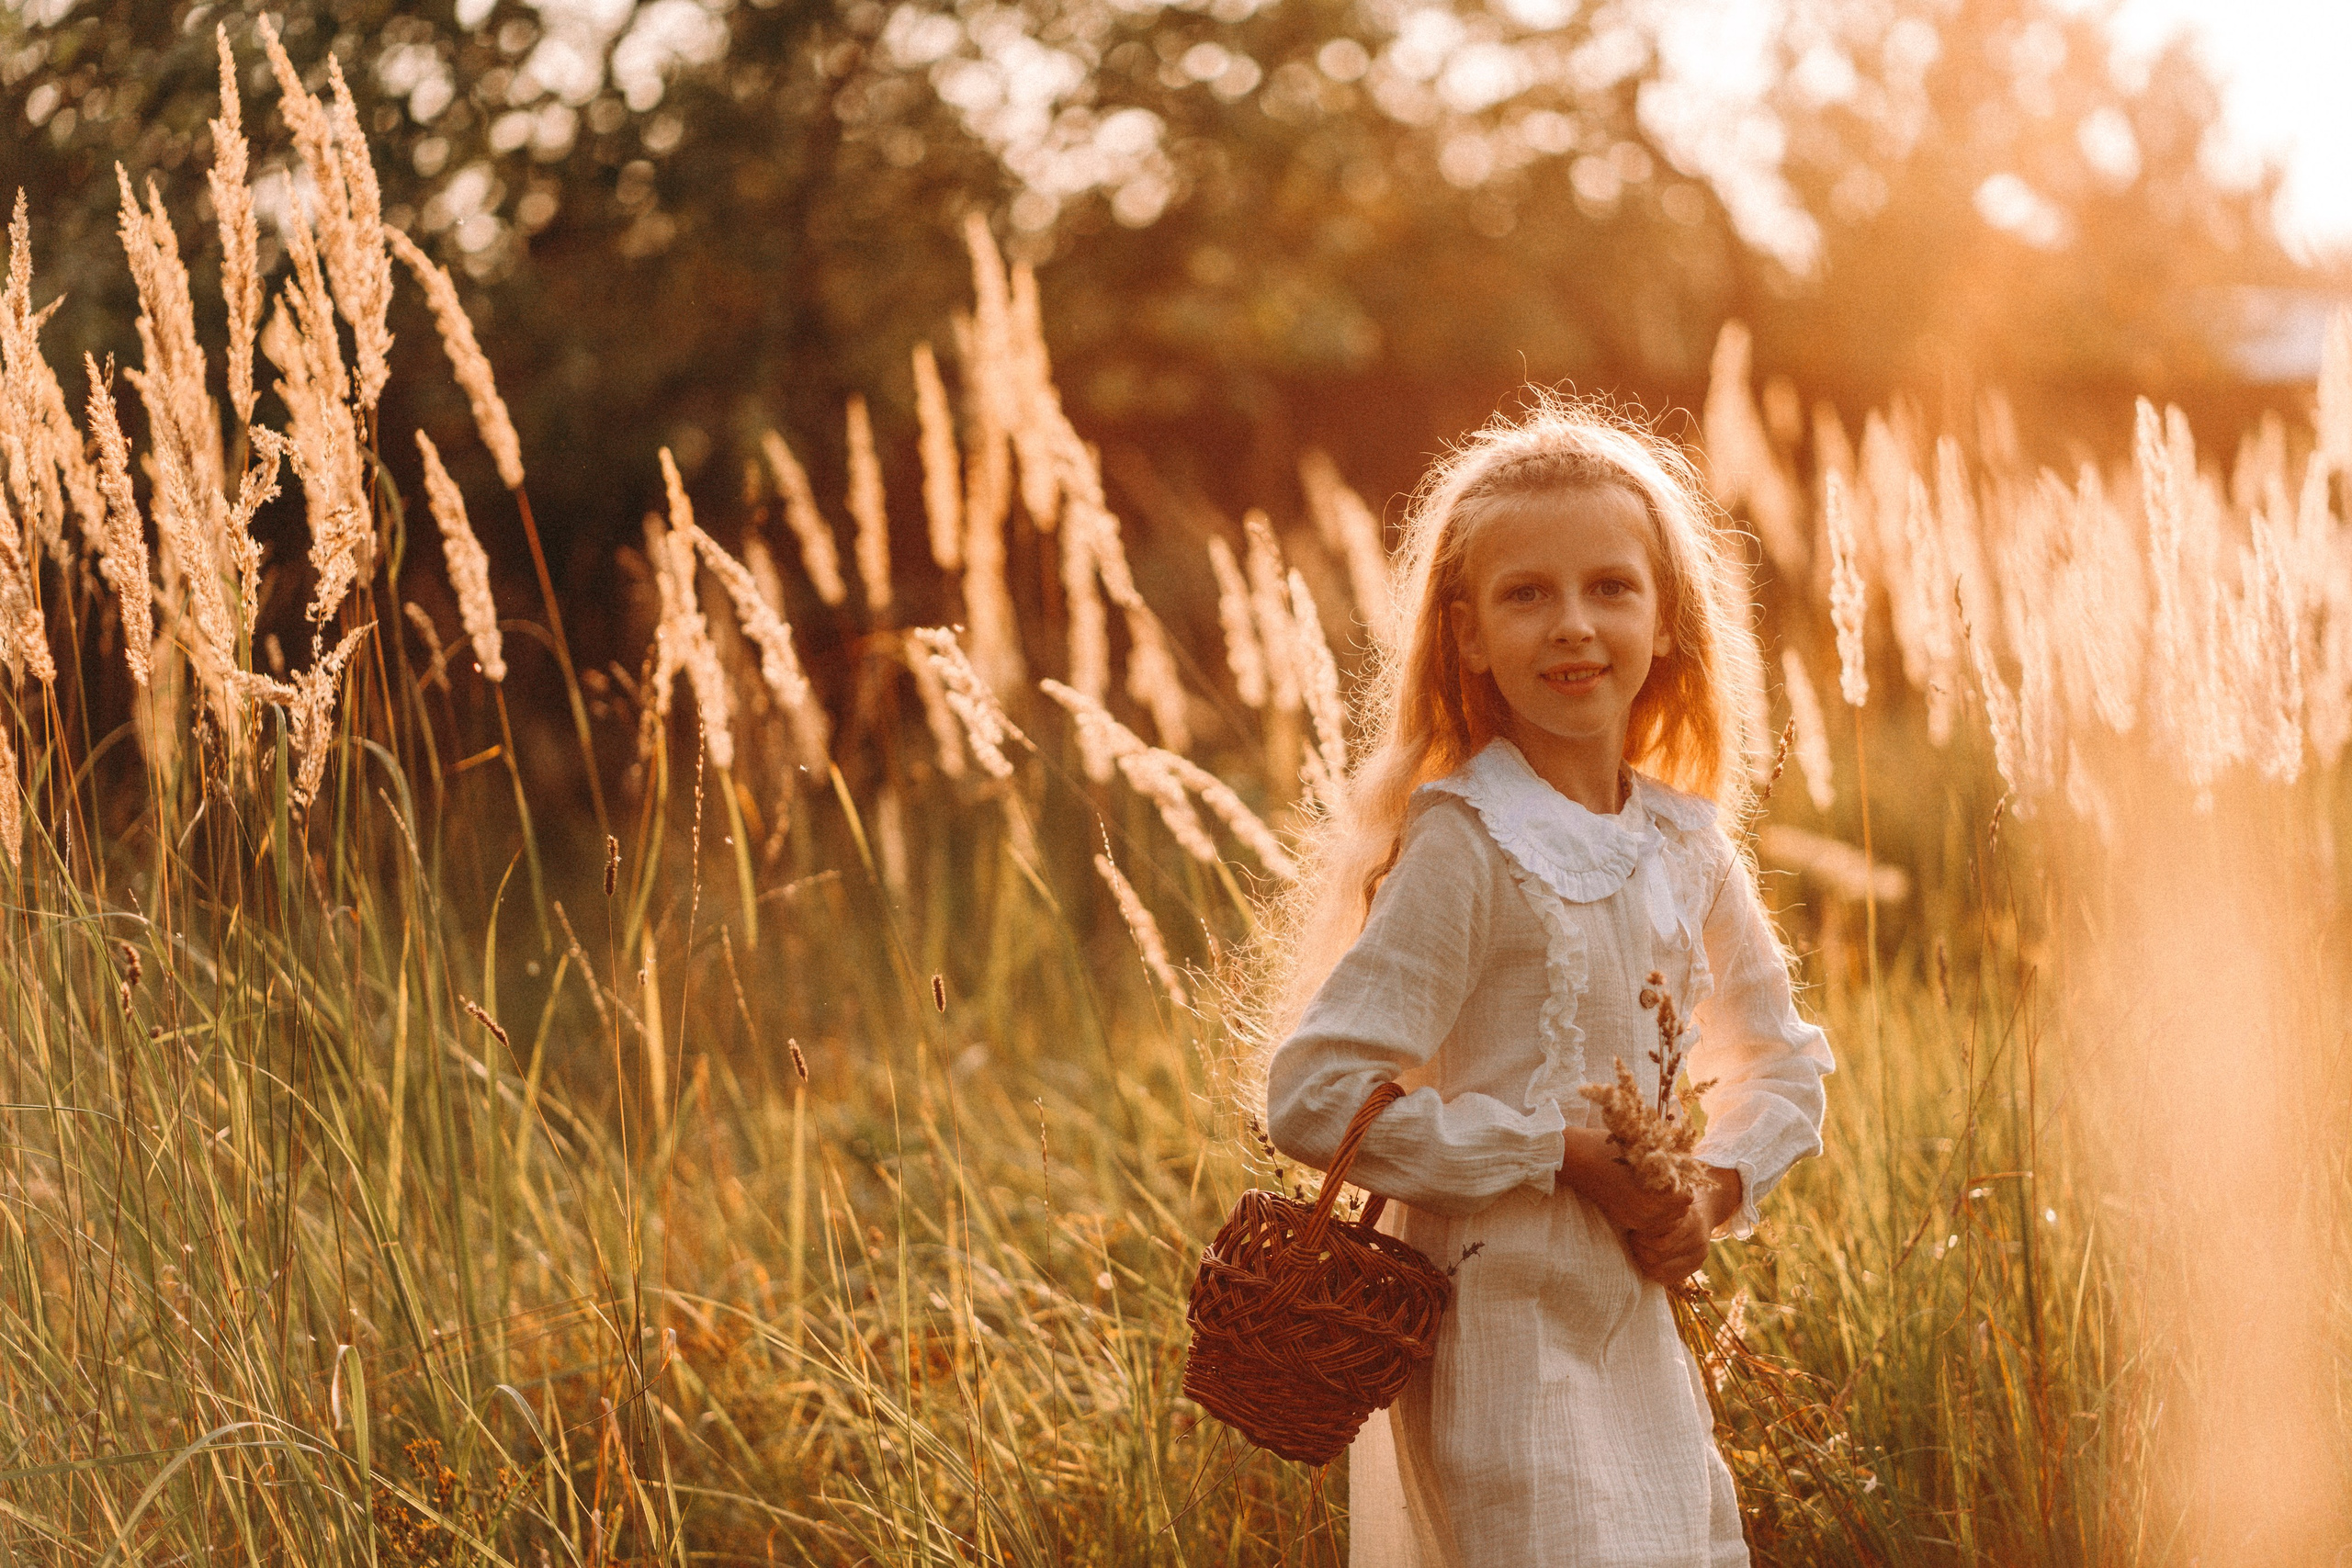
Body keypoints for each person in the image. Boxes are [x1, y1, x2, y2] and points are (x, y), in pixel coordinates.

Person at [1261, 396, 1834, 1567]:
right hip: (1496, 1324)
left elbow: (1782, 1060)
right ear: (1465, 634)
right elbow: (1315, 1093)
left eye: (1610, 588)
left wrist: (1709, 1193)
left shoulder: (1685, 842)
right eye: (1527, 595)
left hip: (1632, 1324)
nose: (1573, 626)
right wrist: (1561, 1154)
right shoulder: (1467, 840)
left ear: (1668, 617)